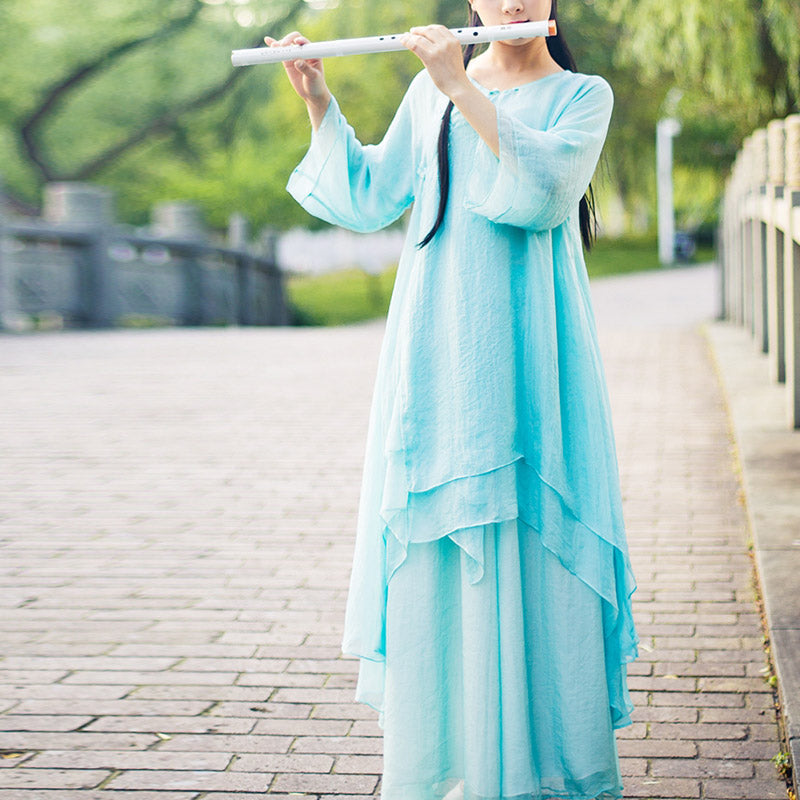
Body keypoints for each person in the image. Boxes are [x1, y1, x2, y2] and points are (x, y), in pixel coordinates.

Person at [267, 0, 640, 797]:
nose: (511, 2)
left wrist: (458, 86)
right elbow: (369, 196)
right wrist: (318, 101)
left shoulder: (584, 95)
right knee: (441, 532)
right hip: (438, 344)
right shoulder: (429, 91)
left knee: (537, 532)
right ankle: (454, 763)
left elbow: (544, 191)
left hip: (534, 346)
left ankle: (545, 768)